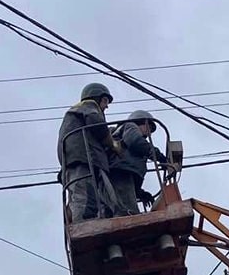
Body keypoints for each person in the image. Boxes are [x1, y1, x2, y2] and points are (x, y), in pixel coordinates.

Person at [57, 82, 122, 222]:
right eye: (105, 101)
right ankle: (85, 224)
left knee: (87, 197)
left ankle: (87, 222)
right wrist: (113, 145)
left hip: (77, 162)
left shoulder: (75, 116)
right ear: (95, 98)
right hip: (84, 161)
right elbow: (97, 124)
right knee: (86, 198)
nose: (106, 106)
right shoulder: (88, 106)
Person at [109, 109, 167, 215]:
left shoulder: (125, 134)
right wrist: (159, 156)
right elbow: (135, 142)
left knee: (125, 205)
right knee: (127, 211)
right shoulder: (130, 126)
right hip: (122, 172)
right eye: (149, 127)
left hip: (123, 173)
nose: (149, 133)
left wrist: (141, 193)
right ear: (140, 121)